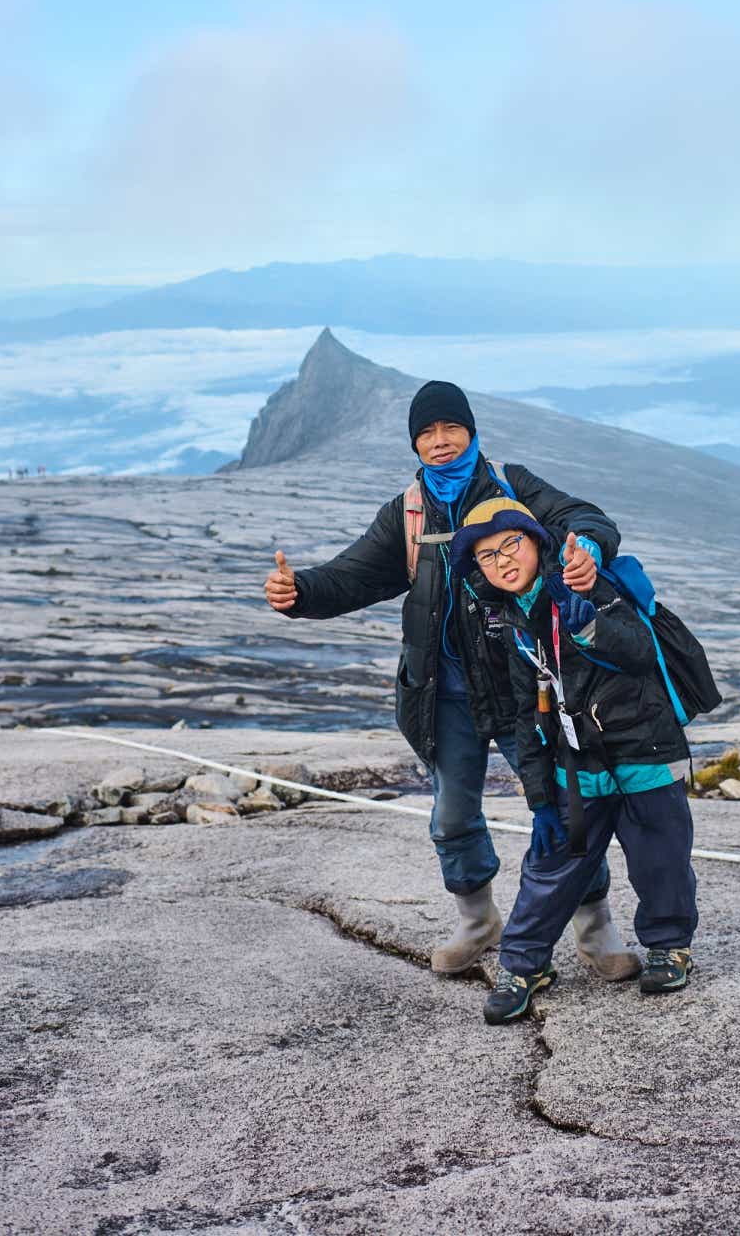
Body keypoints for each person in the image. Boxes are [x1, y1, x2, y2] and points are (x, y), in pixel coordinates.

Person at [263, 379, 638, 979]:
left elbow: (583, 517)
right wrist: (299, 591)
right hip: (443, 694)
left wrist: (586, 547)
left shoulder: (512, 486)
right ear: (414, 443)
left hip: (526, 689)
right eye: (427, 433)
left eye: (451, 428)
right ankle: (477, 922)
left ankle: (595, 931)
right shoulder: (409, 512)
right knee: (453, 817)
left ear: (471, 431)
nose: (440, 441)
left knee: (565, 808)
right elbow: (353, 576)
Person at [449, 494, 699, 1025]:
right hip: (578, 766)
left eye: (511, 545)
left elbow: (637, 652)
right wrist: (540, 798)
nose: (502, 561)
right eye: (488, 556)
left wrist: (588, 626)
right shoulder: (513, 617)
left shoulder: (584, 582)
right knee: (549, 868)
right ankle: (523, 966)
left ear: (536, 543)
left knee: (660, 861)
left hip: (645, 755)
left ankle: (669, 947)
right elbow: (527, 712)